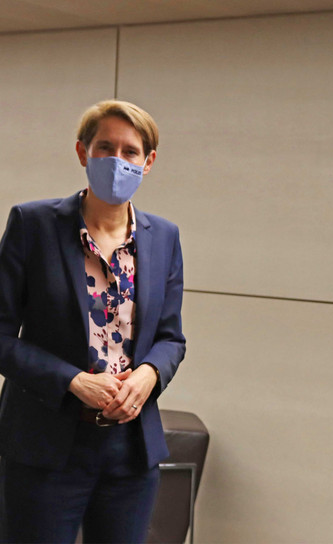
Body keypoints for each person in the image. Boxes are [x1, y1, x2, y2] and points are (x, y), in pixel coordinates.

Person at [0, 100, 185, 543]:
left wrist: (149, 374)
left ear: (149, 161)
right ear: (83, 153)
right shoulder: (33, 224)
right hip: (45, 445)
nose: (117, 161)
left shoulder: (165, 237)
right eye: (105, 148)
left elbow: (171, 338)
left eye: (130, 151)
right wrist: (71, 380)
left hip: (130, 451)